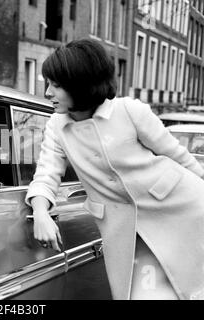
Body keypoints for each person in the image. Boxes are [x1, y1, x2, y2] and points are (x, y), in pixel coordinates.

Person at [26, 39, 204, 300]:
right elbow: (46, 174)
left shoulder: (130, 111)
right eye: (47, 83)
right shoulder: (56, 127)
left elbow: (178, 156)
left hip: (182, 212)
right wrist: (40, 212)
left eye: (56, 85)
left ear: (81, 83)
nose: (47, 93)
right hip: (123, 232)